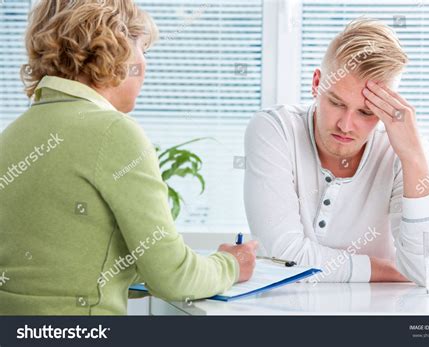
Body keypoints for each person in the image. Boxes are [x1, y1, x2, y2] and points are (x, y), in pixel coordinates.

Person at [0, 0, 257, 315]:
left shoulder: (13, 135)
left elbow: (62, 268)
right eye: (143, 50)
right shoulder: (112, 132)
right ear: (115, 51)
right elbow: (174, 278)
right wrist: (232, 263)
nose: (145, 65)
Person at [244, 18, 429, 284]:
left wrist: (414, 158)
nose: (346, 124)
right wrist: (393, 270)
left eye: (366, 112)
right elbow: (283, 256)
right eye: (336, 102)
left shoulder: (402, 150)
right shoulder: (275, 129)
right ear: (317, 83)